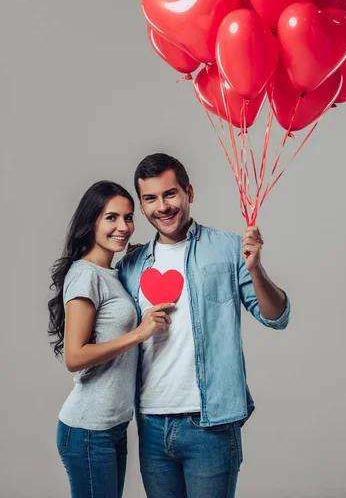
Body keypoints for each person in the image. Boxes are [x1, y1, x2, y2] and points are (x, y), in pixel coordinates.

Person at [117, 153, 291, 498]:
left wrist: (255, 268)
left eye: (170, 194)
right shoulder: (132, 264)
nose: (162, 207)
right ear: (142, 205)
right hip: (151, 423)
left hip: (210, 425)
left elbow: (277, 316)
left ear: (189, 193)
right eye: (150, 199)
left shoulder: (228, 249)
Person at [48, 180, 174, 498]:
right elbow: (74, 357)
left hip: (112, 426)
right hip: (88, 428)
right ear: (92, 221)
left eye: (128, 217)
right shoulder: (84, 275)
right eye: (111, 217)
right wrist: (139, 333)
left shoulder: (111, 273)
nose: (123, 226)